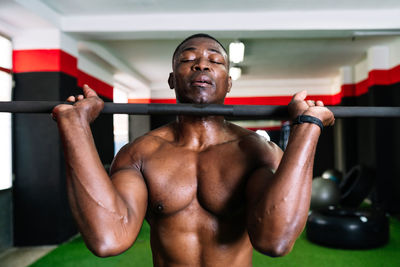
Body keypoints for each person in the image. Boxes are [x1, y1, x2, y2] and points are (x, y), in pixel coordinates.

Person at [52, 33, 334, 267]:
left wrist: (308, 126)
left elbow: (276, 241)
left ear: (228, 82)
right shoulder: (140, 154)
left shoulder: (258, 152)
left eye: (215, 60)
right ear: (173, 80)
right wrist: (75, 126)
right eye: (188, 59)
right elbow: (107, 239)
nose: (201, 65)